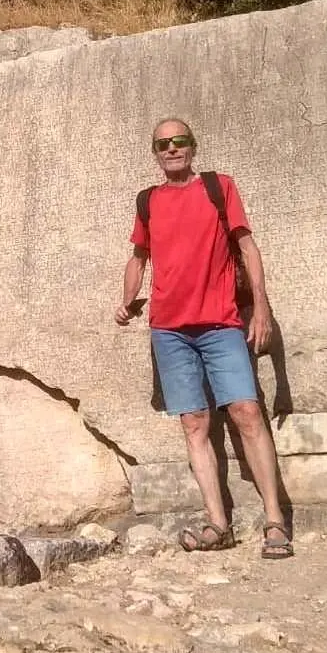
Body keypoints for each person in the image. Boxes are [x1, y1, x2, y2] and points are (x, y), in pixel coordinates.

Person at [114, 118, 293, 559]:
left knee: (247, 412)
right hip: (169, 330)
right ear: (154, 153)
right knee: (194, 423)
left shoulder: (219, 187)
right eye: (163, 144)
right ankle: (218, 523)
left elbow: (248, 248)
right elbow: (139, 257)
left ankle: (275, 521)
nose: (172, 149)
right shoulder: (148, 201)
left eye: (180, 141)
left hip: (220, 323)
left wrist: (263, 308)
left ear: (192, 146)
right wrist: (125, 299)